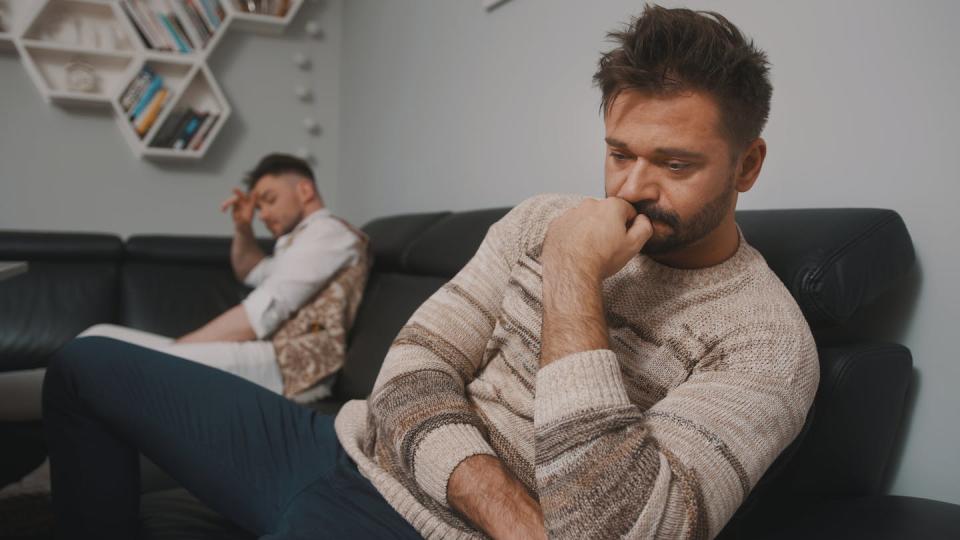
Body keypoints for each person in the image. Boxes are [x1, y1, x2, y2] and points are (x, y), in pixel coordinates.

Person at [43, 6, 818, 539]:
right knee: (85, 365)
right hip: (343, 450)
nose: (630, 188)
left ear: (747, 165)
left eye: (675, 163)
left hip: (409, 526)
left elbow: (615, 529)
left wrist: (572, 277)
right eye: (620, 152)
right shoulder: (539, 217)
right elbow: (412, 367)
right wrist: (507, 514)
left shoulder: (766, 343)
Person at [79, 153, 371, 402]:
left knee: (109, 363)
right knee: (96, 338)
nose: (264, 214)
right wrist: (243, 227)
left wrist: (170, 353)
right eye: (259, 209)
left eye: (269, 200)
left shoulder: (329, 234)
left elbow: (266, 310)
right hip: (262, 352)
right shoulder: (299, 240)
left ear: (305, 190)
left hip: (287, 366)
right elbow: (251, 271)